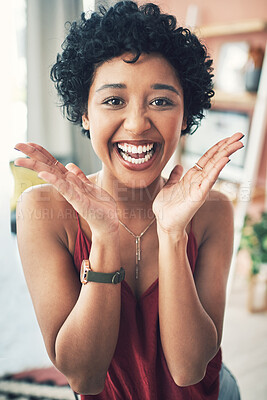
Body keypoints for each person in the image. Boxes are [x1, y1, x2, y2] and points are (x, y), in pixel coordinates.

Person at [15, 1, 242, 399]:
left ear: (186, 114)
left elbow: (190, 369)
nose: (137, 124)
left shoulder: (212, 210)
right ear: (84, 112)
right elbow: (84, 377)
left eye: (161, 101)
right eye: (114, 100)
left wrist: (173, 233)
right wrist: (102, 238)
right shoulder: (44, 212)